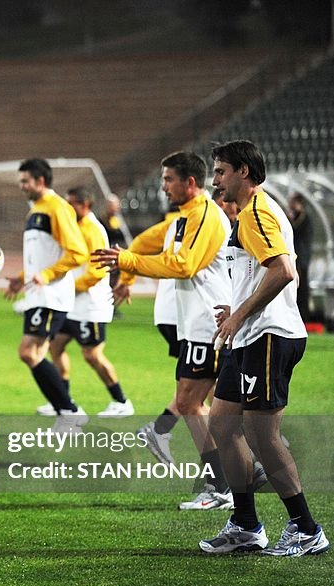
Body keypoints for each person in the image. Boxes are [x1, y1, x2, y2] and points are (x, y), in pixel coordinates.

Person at [204, 139, 329, 556]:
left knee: (262, 436)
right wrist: (237, 311)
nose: (216, 180)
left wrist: (240, 315)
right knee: (221, 423)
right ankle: (245, 524)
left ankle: (306, 528)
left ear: (243, 171)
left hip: (269, 336)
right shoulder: (250, 213)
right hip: (248, 336)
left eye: (220, 171)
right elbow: (260, 271)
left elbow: (283, 270)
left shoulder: (257, 212)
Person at [93, 152, 235, 510]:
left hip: (208, 323)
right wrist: (127, 269)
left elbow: (184, 266)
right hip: (195, 324)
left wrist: (127, 263)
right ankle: (238, 470)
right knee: (206, 401)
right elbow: (148, 248)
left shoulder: (203, 214)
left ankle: (222, 484)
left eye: (169, 179)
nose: (163, 186)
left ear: (190, 182)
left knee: (191, 402)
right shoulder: (185, 217)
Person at [4, 158, 89, 430]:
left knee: (28, 351)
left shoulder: (57, 208)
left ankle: (69, 410)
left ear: (41, 181)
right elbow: (40, 258)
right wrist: (21, 279)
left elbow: (78, 252)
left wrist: (47, 276)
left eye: (25, 181)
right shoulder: (35, 212)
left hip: (51, 296)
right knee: (36, 352)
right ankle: (66, 412)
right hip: (37, 294)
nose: (22, 187)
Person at [35, 187, 133, 417]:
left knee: (92, 356)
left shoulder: (94, 230)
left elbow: (97, 272)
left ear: (85, 205)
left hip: (91, 305)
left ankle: (121, 401)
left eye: (72, 204)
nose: (67, 209)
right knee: (55, 346)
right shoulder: (74, 226)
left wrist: (67, 287)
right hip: (72, 305)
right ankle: (63, 401)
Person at [111, 204, 182, 460]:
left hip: (174, 314)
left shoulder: (183, 222)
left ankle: (250, 445)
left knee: (199, 390)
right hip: (184, 316)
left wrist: (127, 280)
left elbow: (138, 244)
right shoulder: (191, 221)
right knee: (200, 393)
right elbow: (139, 245)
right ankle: (246, 450)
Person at [287, 192, 314, 323]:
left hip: (301, 259)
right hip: (295, 258)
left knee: (302, 289)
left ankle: (304, 317)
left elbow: (300, 238)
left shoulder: (304, 218)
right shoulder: (293, 217)